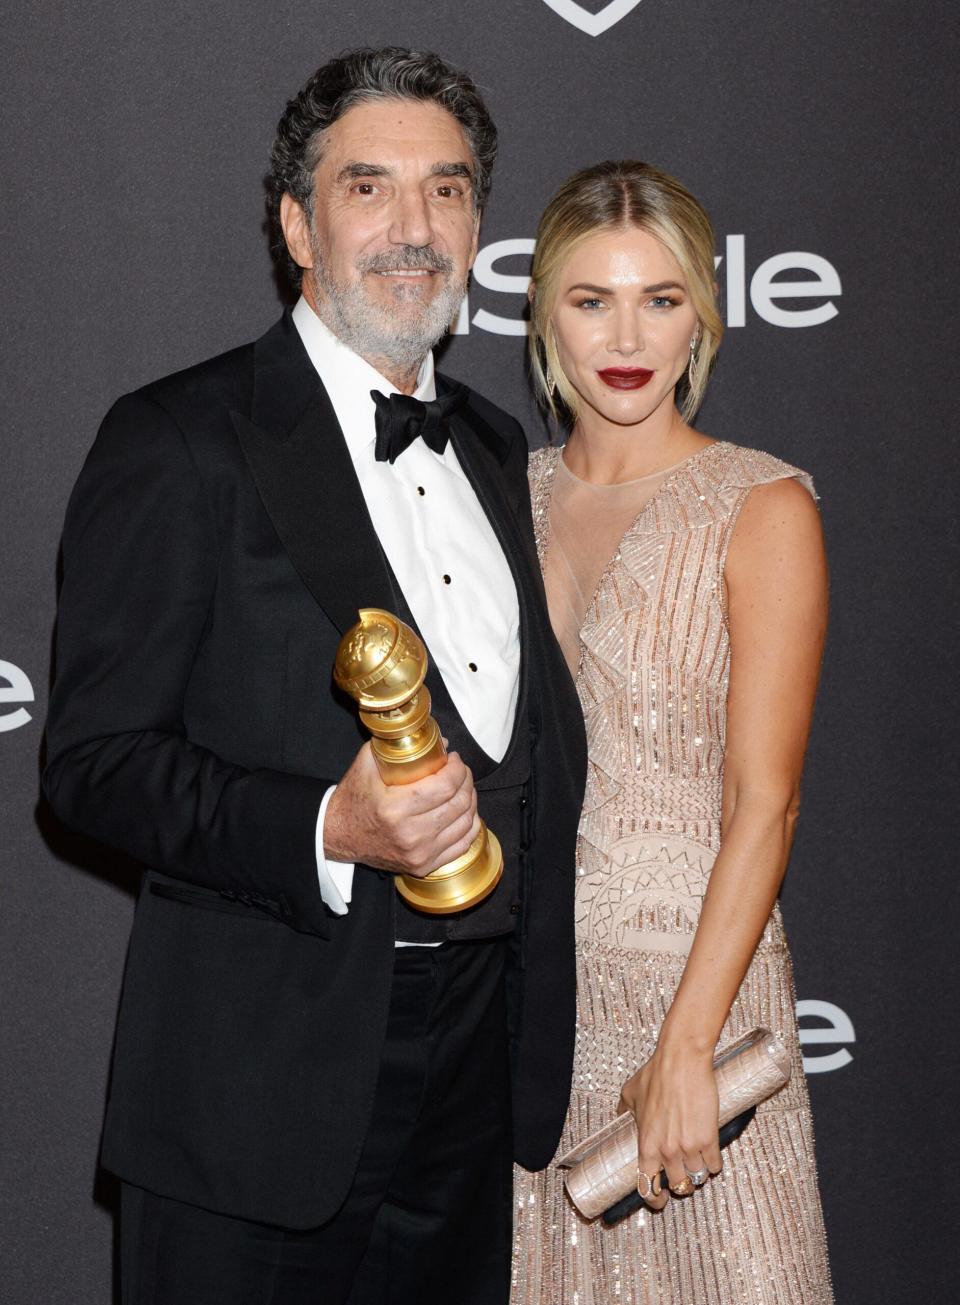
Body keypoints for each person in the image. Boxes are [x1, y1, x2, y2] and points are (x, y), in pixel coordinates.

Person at [43, 48, 586, 1305]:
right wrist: (328, 826)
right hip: (255, 1092)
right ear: (297, 222)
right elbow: (93, 765)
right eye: (368, 189)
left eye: (447, 191)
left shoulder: (501, 451)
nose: (414, 229)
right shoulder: (177, 437)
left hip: (474, 1088)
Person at [511, 161, 833, 1303]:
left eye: (661, 297)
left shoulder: (761, 506)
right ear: (545, 312)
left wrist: (691, 1045)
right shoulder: (504, 498)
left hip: (702, 985)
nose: (627, 334)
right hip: (536, 1008)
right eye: (592, 299)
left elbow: (767, 804)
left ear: (704, 310)